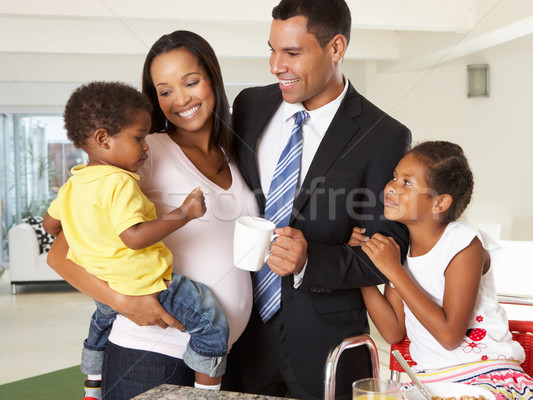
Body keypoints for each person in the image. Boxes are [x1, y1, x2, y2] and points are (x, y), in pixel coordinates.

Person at [46, 31, 259, 400]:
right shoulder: (145, 152)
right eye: (164, 91)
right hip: (149, 354)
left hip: (220, 357)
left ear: (212, 78)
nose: (181, 99)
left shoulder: (233, 156)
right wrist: (125, 302)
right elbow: (61, 253)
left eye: (191, 82)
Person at [222, 1, 412, 398]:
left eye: (292, 53)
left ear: (336, 48)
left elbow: (388, 249)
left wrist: (311, 260)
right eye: (272, 50)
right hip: (243, 334)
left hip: (325, 343)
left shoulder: (383, 137)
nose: (276, 65)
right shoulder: (249, 106)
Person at [350, 141, 533, 400]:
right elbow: (393, 331)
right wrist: (362, 265)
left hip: (485, 375)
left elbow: (450, 335)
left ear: (439, 203)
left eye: (407, 183)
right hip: (429, 383)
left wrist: (394, 270)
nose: (391, 187)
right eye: (394, 177)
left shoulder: (463, 243)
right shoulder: (401, 252)